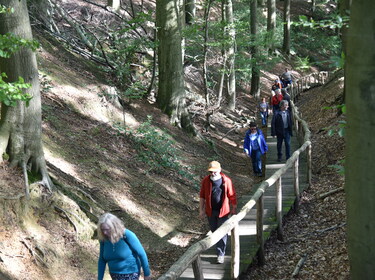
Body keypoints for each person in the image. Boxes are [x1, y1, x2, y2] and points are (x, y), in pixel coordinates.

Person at [199, 161, 237, 264]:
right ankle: (220, 248)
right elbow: (202, 196)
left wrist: (234, 207)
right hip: (210, 212)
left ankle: (220, 254)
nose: (213, 173)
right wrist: (201, 210)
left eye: (215, 171)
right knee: (214, 231)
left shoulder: (226, 180)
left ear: (219, 170)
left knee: (222, 231)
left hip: (223, 212)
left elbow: (232, 194)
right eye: (211, 172)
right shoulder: (206, 181)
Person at [97, 213, 151, 280]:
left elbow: (142, 254)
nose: (104, 232)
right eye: (102, 230)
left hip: (131, 273)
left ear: (114, 226)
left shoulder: (127, 235)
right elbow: (102, 260)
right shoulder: (104, 240)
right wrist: (99, 278)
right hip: (114, 275)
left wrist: (147, 274)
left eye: (107, 229)